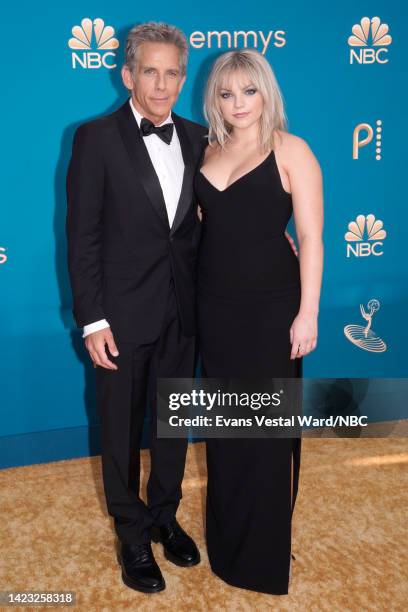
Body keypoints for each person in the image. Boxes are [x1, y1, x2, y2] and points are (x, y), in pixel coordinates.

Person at [66, 22, 208, 594]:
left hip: (185, 312)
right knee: (122, 429)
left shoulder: (200, 137)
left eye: (173, 72)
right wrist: (93, 318)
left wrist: (280, 241)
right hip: (121, 317)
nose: (162, 83)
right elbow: (83, 237)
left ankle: (164, 515)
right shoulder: (94, 138)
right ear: (127, 74)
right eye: (150, 71)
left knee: (174, 424)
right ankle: (130, 533)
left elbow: (216, 222)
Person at [194, 49, 323, 594]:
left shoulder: (292, 150)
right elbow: (210, 228)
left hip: (273, 310)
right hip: (215, 309)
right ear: (214, 100)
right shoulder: (207, 150)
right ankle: (227, 546)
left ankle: (265, 556)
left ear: (266, 92)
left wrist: (307, 312)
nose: (238, 103)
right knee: (227, 432)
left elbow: (312, 238)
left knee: (267, 433)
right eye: (226, 93)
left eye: (249, 91)